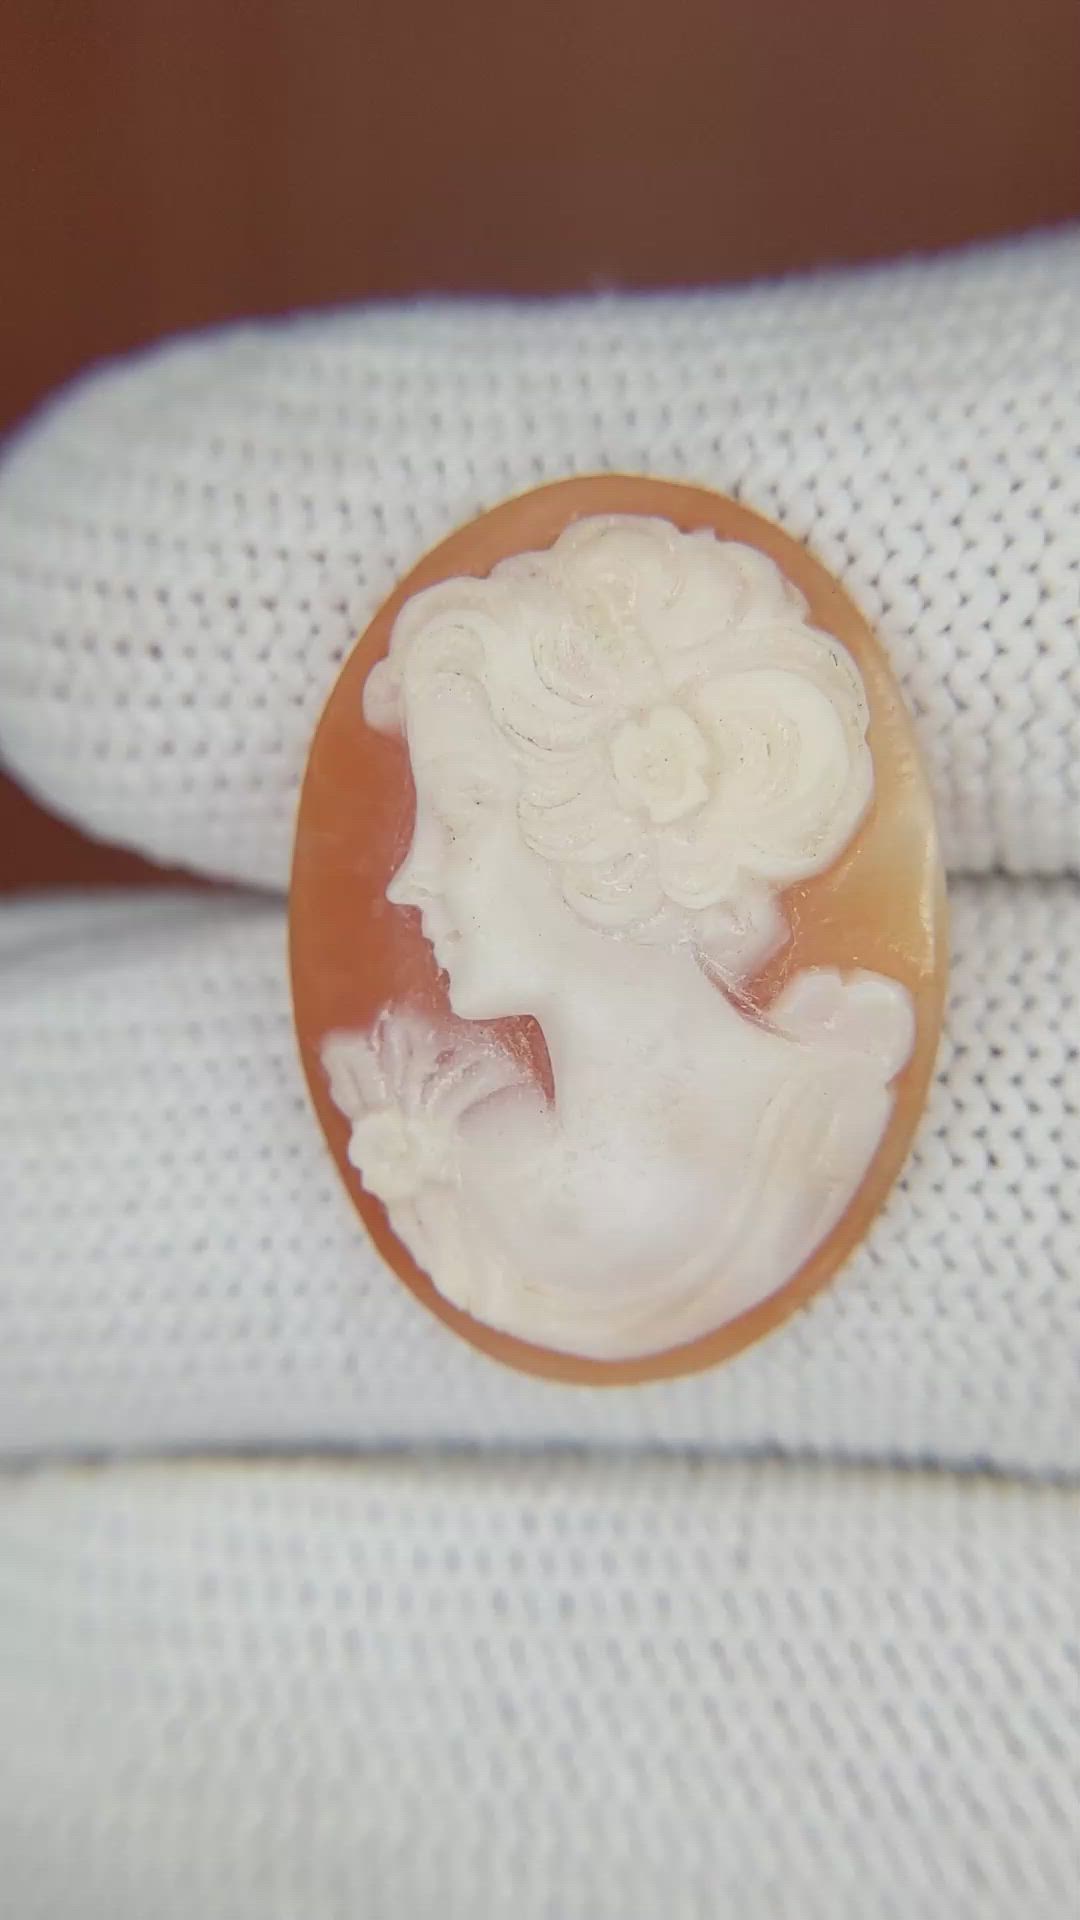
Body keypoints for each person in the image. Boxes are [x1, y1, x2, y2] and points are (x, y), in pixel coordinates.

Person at [324, 515, 914, 1357]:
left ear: (602, 829)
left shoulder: (823, 1133)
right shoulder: (454, 1166)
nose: (408, 878)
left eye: (458, 814)